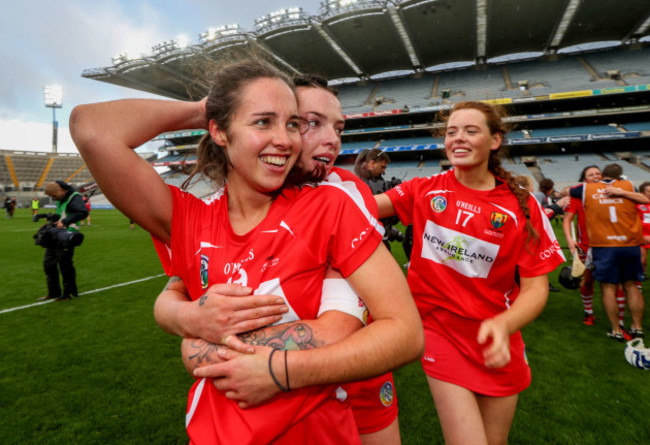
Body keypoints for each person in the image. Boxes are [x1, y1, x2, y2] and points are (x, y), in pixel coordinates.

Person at [70, 59, 423, 444]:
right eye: (262, 121)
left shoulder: (330, 207)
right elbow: (90, 127)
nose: (286, 139)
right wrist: (202, 110)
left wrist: (269, 367)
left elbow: (404, 331)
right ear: (219, 131)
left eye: (291, 124)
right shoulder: (188, 219)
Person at [154, 74, 402, 444]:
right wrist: (183, 316)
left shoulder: (344, 197)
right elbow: (176, 290)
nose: (332, 139)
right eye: (310, 123)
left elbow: (344, 327)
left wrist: (199, 345)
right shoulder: (222, 212)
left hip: (358, 373)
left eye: (338, 127)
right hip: (252, 399)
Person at [374, 101, 565, 445]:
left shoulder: (520, 205)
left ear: (495, 141)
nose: (458, 138)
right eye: (451, 132)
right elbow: (362, 209)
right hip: (437, 330)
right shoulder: (425, 189)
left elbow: (536, 288)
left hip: (496, 340)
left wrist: (504, 325)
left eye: (470, 130)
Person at [569, 163, 647, 340]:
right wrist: (621, 192)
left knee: (608, 289)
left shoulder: (586, 189)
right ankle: (637, 327)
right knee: (632, 286)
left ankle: (616, 330)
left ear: (602, 175)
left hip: (604, 245)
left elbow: (568, 191)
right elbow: (644, 199)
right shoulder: (628, 186)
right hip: (630, 243)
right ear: (620, 177)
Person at [562, 165, 602, 326]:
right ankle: (588, 313)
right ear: (585, 180)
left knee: (611, 283)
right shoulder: (578, 197)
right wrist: (570, 240)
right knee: (587, 281)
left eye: (598, 173)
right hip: (586, 246)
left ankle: (618, 322)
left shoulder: (610, 193)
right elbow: (567, 220)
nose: (595, 176)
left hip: (609, 245)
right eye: (591, 175)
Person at [36, 181, 88, 302]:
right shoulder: (61, 198)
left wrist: (65, 222)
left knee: (65, 265)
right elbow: (61, 214)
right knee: (48, 264)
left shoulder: (74, 197)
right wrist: (52, 221)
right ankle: (53, 292)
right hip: (56, 233)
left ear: (60, 191)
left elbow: (82, 212)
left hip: (67, 235)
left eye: (53, 196)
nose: (53, 198)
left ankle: (69, 293)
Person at [637, 181, 650, 279]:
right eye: (649, 191)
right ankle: (642, 273)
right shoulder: (637, 205)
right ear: (642, 193)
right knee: (642, 260)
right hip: (642, 235)